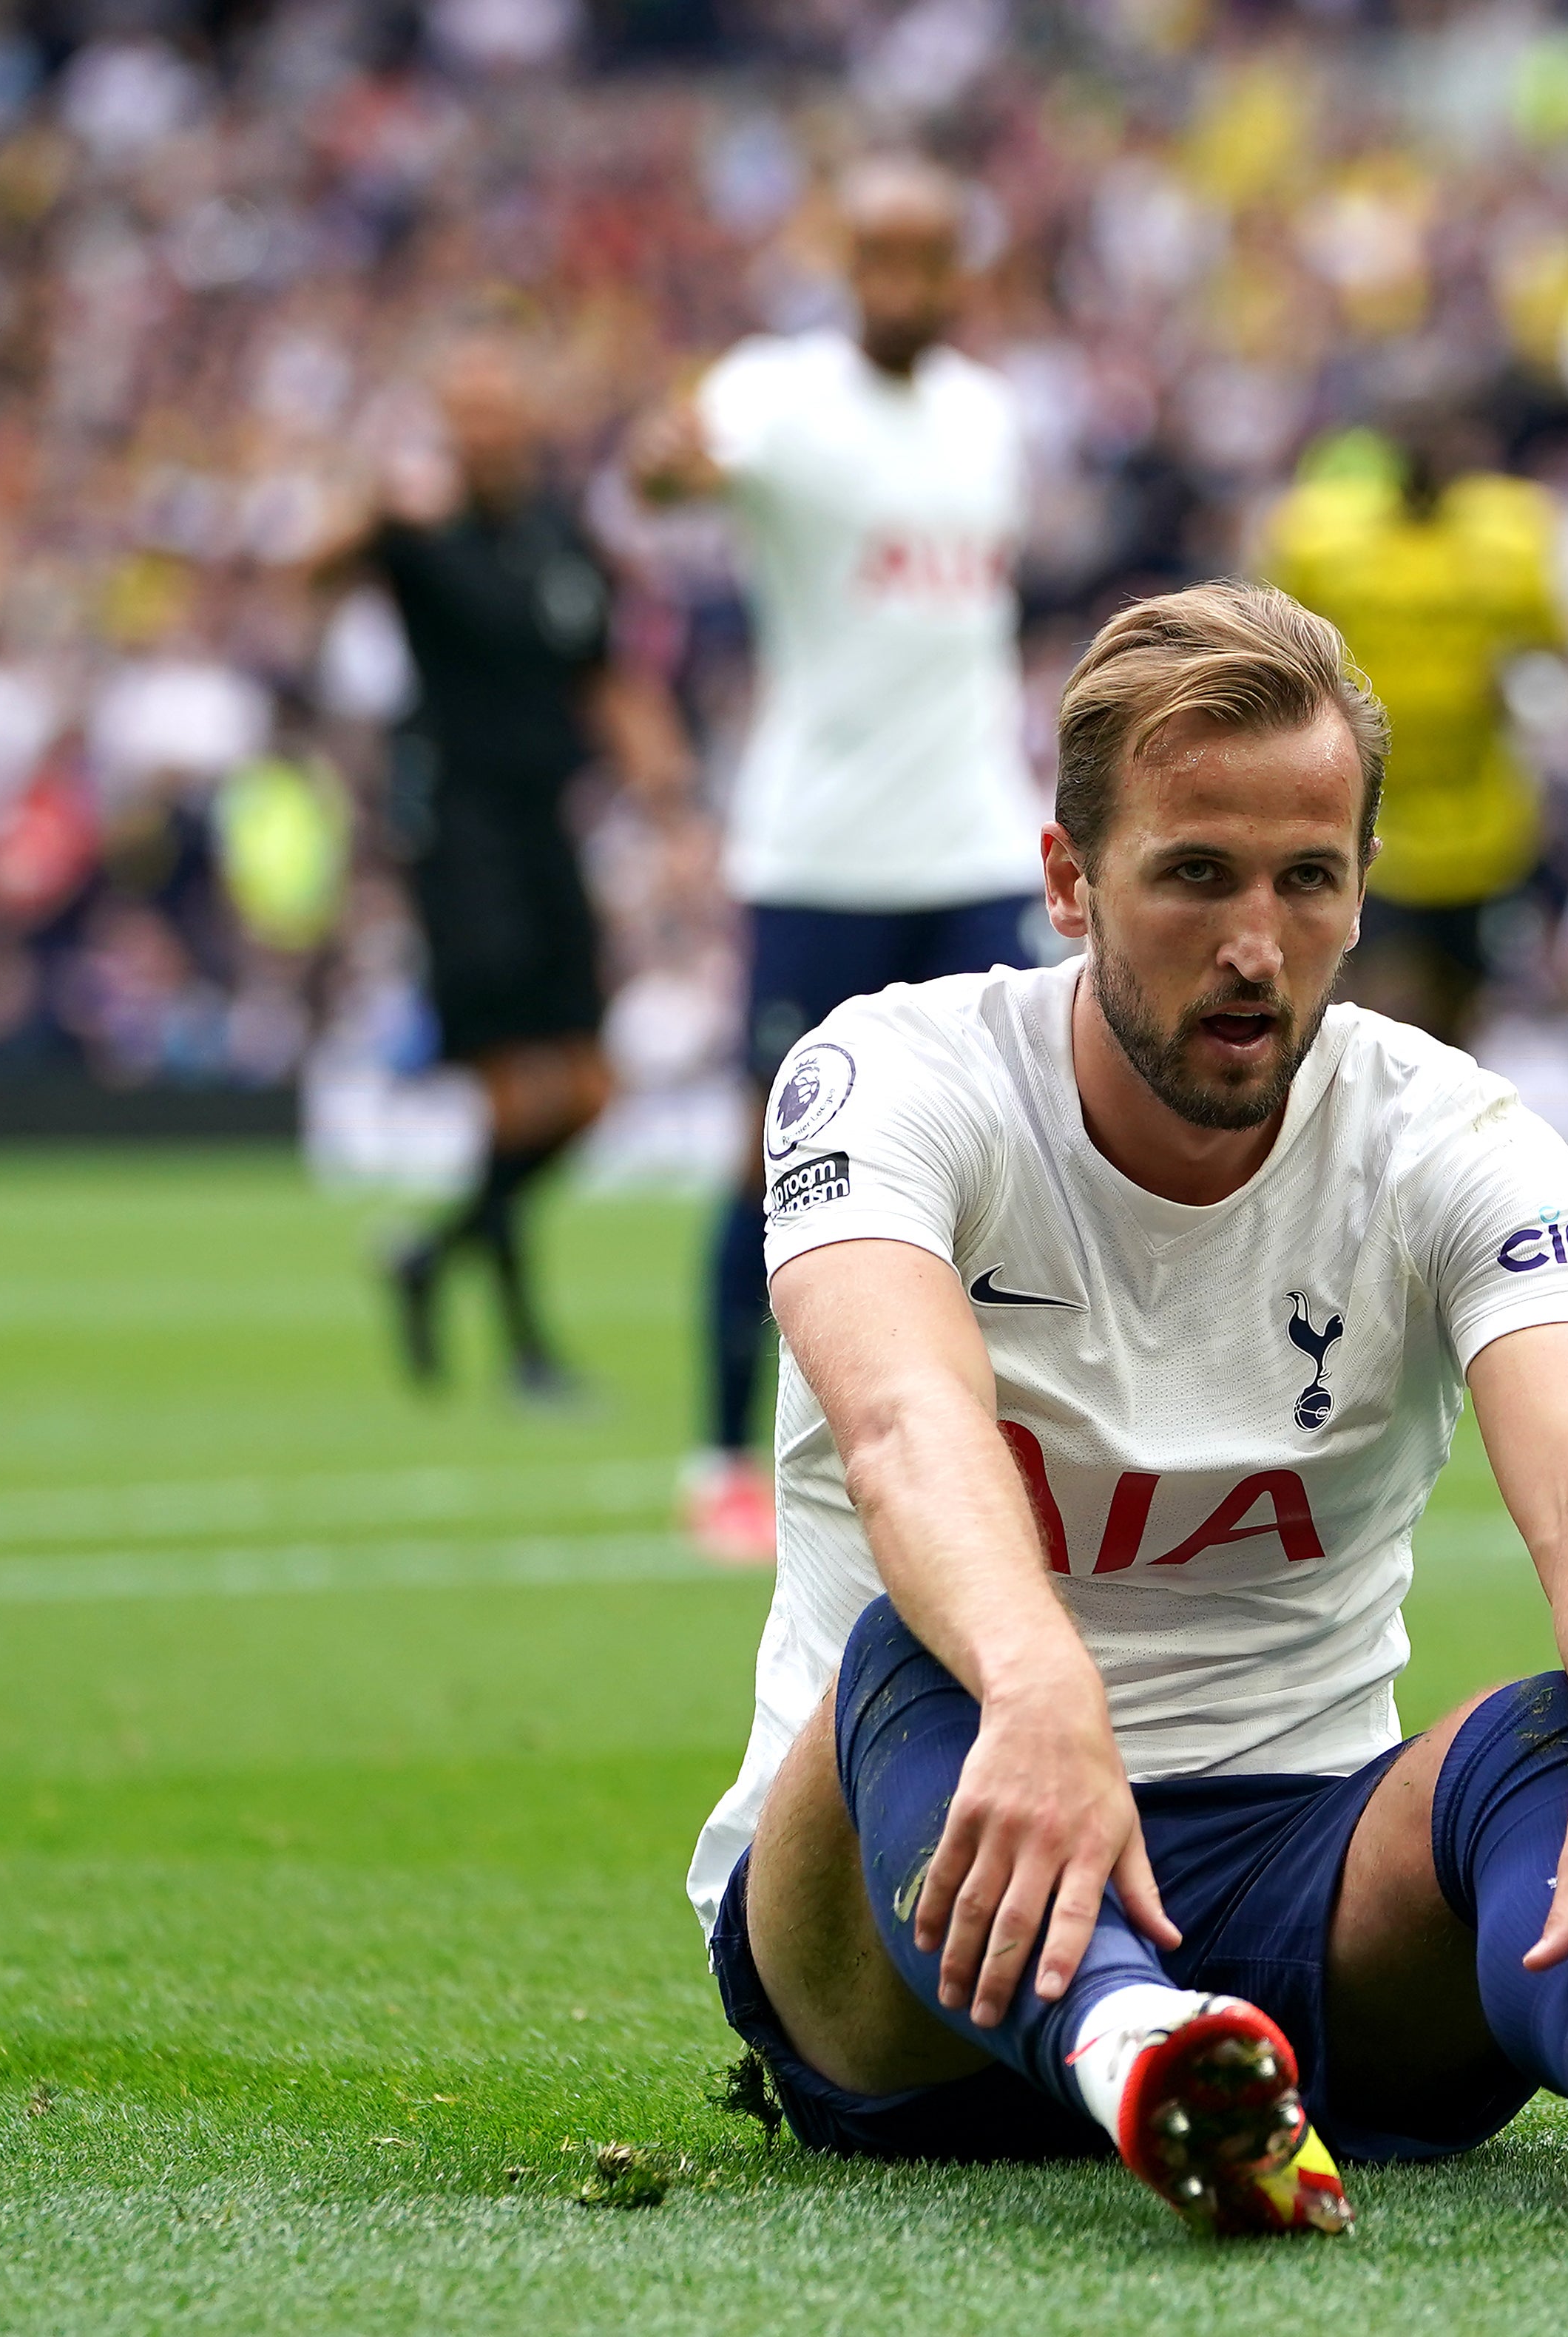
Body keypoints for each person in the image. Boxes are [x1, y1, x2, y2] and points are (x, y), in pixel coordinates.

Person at [688, 581, 1568, 2242]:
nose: (1251, 945)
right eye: (1194, 874)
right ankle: (1139, 2040)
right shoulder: (888, 1076)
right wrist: (1042, 1680)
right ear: (1069, 880)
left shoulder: (1456, 1133)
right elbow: (905, 1425)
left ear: (1363, 890)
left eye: (1308, 881)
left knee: (1553, 1731)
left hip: (1290, 1877)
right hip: (903, 1902)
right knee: (916, 1654)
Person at [629, 155, 1047, 1564]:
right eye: (880, 259)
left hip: (973, 838)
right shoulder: (777, 394)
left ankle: (1004, 1454)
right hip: (814, 847)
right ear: (845, 262)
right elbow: (664, 463)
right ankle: (716, 1459)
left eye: (929, 262)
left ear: (959, 274)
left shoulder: (990, 420)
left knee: (1014, 1157)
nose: (905, 287)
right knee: (774, 1156)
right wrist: (664, 464)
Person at [323, 338, 680, 1402]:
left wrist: (668, 796)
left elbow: (604, 677)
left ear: (525, 422)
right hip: (456, 834)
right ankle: (526, 1347)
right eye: (462, 413)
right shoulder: (416, 533)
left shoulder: (561, 539)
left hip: (543, 827)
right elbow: (304, 564)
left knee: (589, 1090)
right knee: (515, 1090)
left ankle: (434, 1255)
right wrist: (372, 494)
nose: (480, 431)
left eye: (495, 410)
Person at [1262, 398, 1568, 1045]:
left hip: (1479, 816)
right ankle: (1365, 1125)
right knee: (1378, 991)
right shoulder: (1323, 542)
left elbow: (1550, 657)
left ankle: (1438, 1128)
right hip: (1369, 810)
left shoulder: (1511, 544)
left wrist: (1520, 692)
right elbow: (1277, 642)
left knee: (1463, 995)